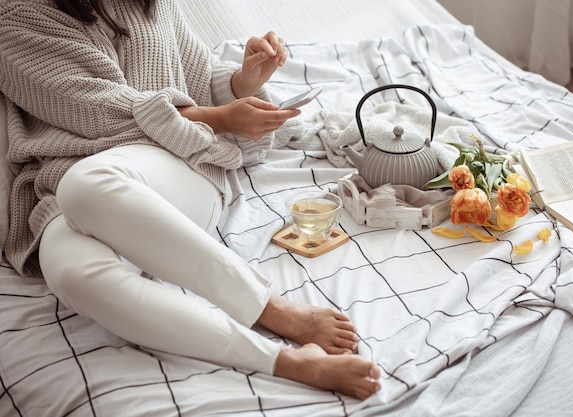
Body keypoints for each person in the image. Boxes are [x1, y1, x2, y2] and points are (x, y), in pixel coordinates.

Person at [0, 0, 381, 400]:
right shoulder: (15, 18)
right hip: (76, 184)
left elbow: (194, 84)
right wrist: (221, 118)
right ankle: (291, 363)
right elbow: (97, 112)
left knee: (85, 184)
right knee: (68, 270)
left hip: (179, 167)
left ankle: (272, 309)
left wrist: (242, 82)